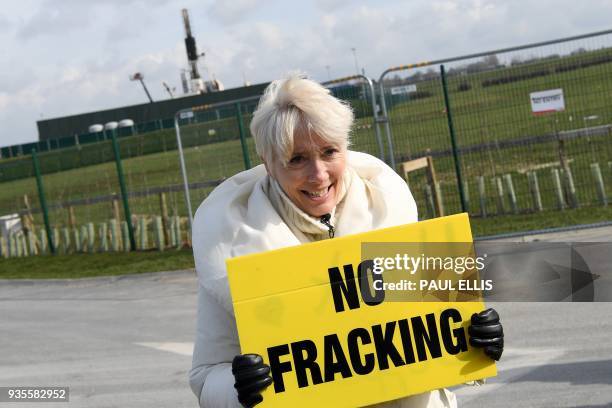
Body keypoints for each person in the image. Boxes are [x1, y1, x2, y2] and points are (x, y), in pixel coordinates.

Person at [189, 73, 504, 408]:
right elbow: (207, 374)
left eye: (329, 151)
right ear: (268, 162)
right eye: (297, 159)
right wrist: (239, 387)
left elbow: (438, 332)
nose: (319, 174)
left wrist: (476, 342)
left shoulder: (391, 215)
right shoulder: (233, 246)